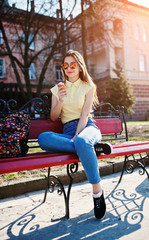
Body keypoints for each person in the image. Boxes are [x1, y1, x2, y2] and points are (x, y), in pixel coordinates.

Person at [38, 49, 112, 219]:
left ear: (80, 67)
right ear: (63, 68)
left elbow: (85, 114)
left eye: (73, 64)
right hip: (68, 131)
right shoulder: (58, 88)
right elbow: (54, 116)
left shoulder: (88, 86)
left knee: (81, 141)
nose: (69, 68)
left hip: (87, 127)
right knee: (43, 138)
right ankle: (90, 147)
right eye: (65, 65)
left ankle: (97, 193)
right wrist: (61, 100)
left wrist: (78, 135)